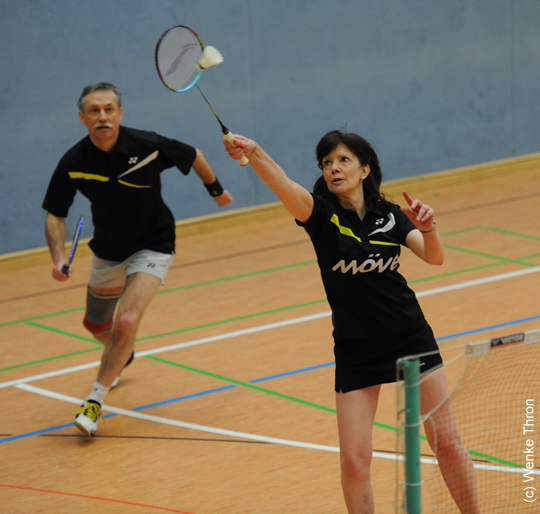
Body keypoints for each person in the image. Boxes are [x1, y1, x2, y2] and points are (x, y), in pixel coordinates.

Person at [224, 131, 480, 514]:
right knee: (354, 462)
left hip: (410, 335)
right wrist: (255, 152)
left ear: (364, 168)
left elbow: (433, 257)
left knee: (446, 442)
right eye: (326, 163)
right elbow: (283, 183)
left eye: (342, 160)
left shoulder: (390, 214)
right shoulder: (319, 216)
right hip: (356, 348)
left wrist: (428, 228)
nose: (333, 168)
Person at [42, 82, 233, 437]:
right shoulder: (74, 162)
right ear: (82, 117)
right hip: (109, 251)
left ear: (120, 113)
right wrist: (57, 259)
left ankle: (94, 401)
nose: (103, 116)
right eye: (95, 110)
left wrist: (216, 190)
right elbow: (55, 214)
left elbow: (194, 155)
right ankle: (121, 352)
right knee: (96, 324)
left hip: (154, 243)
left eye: (109, 109)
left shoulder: (145, 145)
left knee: (126, 321)